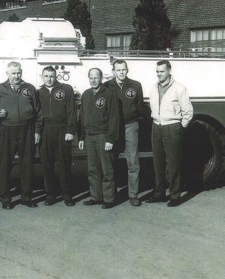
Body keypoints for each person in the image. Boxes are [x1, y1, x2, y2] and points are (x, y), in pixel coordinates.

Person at [0, 61, 42, 209]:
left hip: (27, 129)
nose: (16, 76)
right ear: (7, 74)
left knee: (27, 165)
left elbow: (38, 111)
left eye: (18, 73)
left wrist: (37, 131)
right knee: (5, 164)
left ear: (21, 72)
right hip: (8, 130)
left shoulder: (30, 88)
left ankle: (27, 197)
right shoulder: (0, 89)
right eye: (13, 73)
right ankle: (6, 199)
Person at [147, 60, 193, 207]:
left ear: (169, 71)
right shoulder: (153, 88)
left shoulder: (179, 88)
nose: (159, 74)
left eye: (162, 71)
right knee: (158, 163)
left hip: (172, 127)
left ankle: (175, 196)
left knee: (173, 163)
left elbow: (188, 111)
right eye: (157, 72)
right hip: (156, 127)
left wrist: (180, 126)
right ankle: (159, 193)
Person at [78, 68, 120, 209]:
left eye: (96, 77)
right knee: (92, 169)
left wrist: (110, 139)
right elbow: (82, 117)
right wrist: (82, 137)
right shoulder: (86, 94)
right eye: (91, 77)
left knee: (106, 168)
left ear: (101, 78)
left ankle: (109, 198)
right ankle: (96, 196)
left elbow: (114, 118)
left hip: (103, 136)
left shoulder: (109, 94)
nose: (93, 80)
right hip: (89, 137)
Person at [105, 59, 144, 207]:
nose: (121, 72)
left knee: (133, 162)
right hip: (112, 128)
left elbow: (140, 106)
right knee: (110, 161)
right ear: (113, 71)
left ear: (127, 70)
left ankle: (133, 194)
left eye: (124, 70)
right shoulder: (107, 86)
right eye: (118, 70)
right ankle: (111, 195)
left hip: (130, 126)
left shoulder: (135, 85)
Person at [37, 66, 77, 207]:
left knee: (64, 164)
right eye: (46, 76)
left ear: (56, 76)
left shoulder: (66, 89)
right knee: (47, 164)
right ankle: (50, 195)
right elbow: (37, 114)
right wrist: (38, 131)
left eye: (52, 76)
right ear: (42, 77)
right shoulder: (39, 92)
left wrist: (70, 130)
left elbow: (72, 111)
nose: (49, 79)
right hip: (46, 130)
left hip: (62, 129)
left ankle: (67, 195)